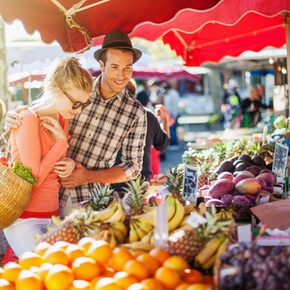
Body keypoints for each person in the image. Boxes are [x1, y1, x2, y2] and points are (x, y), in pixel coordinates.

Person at [5, 30, 147, 219]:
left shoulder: (136, 113)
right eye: (114, 66)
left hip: (92, 201)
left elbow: (133, 166)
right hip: (50, 195)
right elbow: (41, 112)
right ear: (102, 65)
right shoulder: (77, 90)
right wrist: (15, 116)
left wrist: (88, 175)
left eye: (127, 68)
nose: (121, 75)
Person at [3, 57, 94, 258]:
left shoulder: (62, 117)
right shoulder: (27, 119)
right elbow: (34, 178)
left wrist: (70, 165)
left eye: (83, 105)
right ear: (55, 90)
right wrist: (62, 142)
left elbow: (53, 164)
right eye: (76, 103)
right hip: (25, 219)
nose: (78, 110)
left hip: (52, 215)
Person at [162, 82, 181, 148]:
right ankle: (173, 143)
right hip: (169, 114)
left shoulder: (173, 94)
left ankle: (174, 143)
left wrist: (174, 116)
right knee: (171, 129)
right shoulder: (169, 94)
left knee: (172, 129)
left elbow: (174, 106)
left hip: (172, 114)